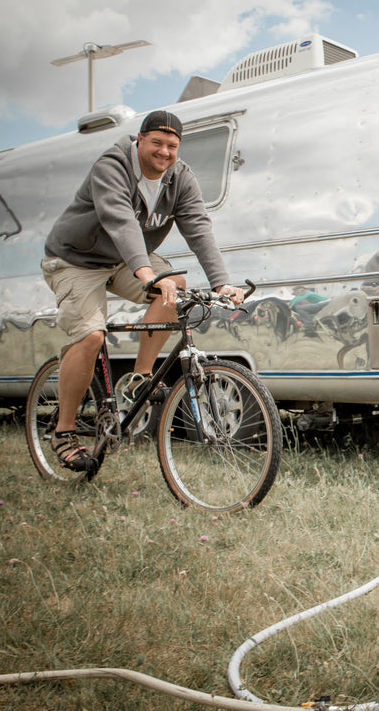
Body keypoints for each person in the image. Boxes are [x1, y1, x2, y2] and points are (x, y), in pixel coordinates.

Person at [41, 110, 245, 472]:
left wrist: (221, 282)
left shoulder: (180, 178)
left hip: (121, 259)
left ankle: (139, 380)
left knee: (177, 289)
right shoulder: (112, 165)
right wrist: (149, 274)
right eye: (157, 143)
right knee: (90, 337)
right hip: (76, 259)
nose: (164, 152)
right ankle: (64, 431)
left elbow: (198, 227)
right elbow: (119, 220)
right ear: (139, 139)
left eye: (172, 145)